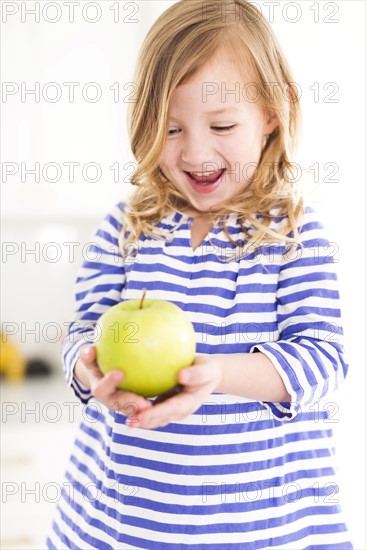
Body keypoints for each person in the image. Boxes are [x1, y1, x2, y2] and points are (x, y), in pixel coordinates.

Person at [47, 1, 353, 548]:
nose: (195, 151)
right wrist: (91, 372)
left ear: (273, 112)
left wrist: (212, 373)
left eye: (222, 125)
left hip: (263, 527)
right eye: (170, 128)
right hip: (119, 523)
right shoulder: (127, 226)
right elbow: (83, 331)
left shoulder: (293, 234)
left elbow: (324, 358)